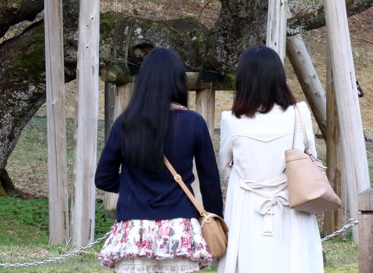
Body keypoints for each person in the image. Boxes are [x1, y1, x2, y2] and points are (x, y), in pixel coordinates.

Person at [96, 47, 223, 272]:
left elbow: (103, 178)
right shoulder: (193, 122)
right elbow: (210, 182)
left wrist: (133, 186)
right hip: (179, 230)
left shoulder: (126, 123)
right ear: (179, 82)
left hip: (134, 231)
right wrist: (217, 221)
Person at [217, 46, 323, 273]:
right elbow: (311, 157)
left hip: (247, 208)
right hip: (293, 203)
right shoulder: (299, 113)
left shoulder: (231, 119)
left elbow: (225, 167)